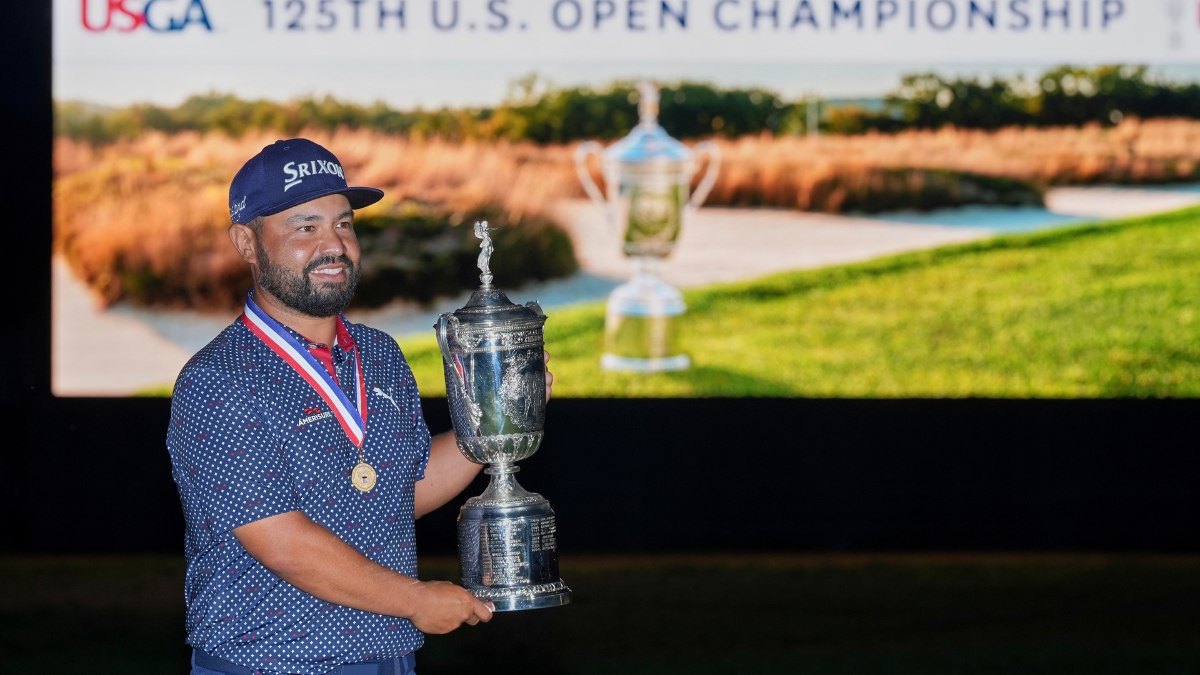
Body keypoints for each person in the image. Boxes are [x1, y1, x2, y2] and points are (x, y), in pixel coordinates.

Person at [166, 138, 552, 675]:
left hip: (389, 657)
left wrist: (498, 414)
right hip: (273, 662)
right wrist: (415, 601)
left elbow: (401, 492)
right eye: (305, 227)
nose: (334, 245)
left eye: (343, 224)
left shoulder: (380, 355)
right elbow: (279, 539)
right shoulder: (219, 379)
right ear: (246, 243)